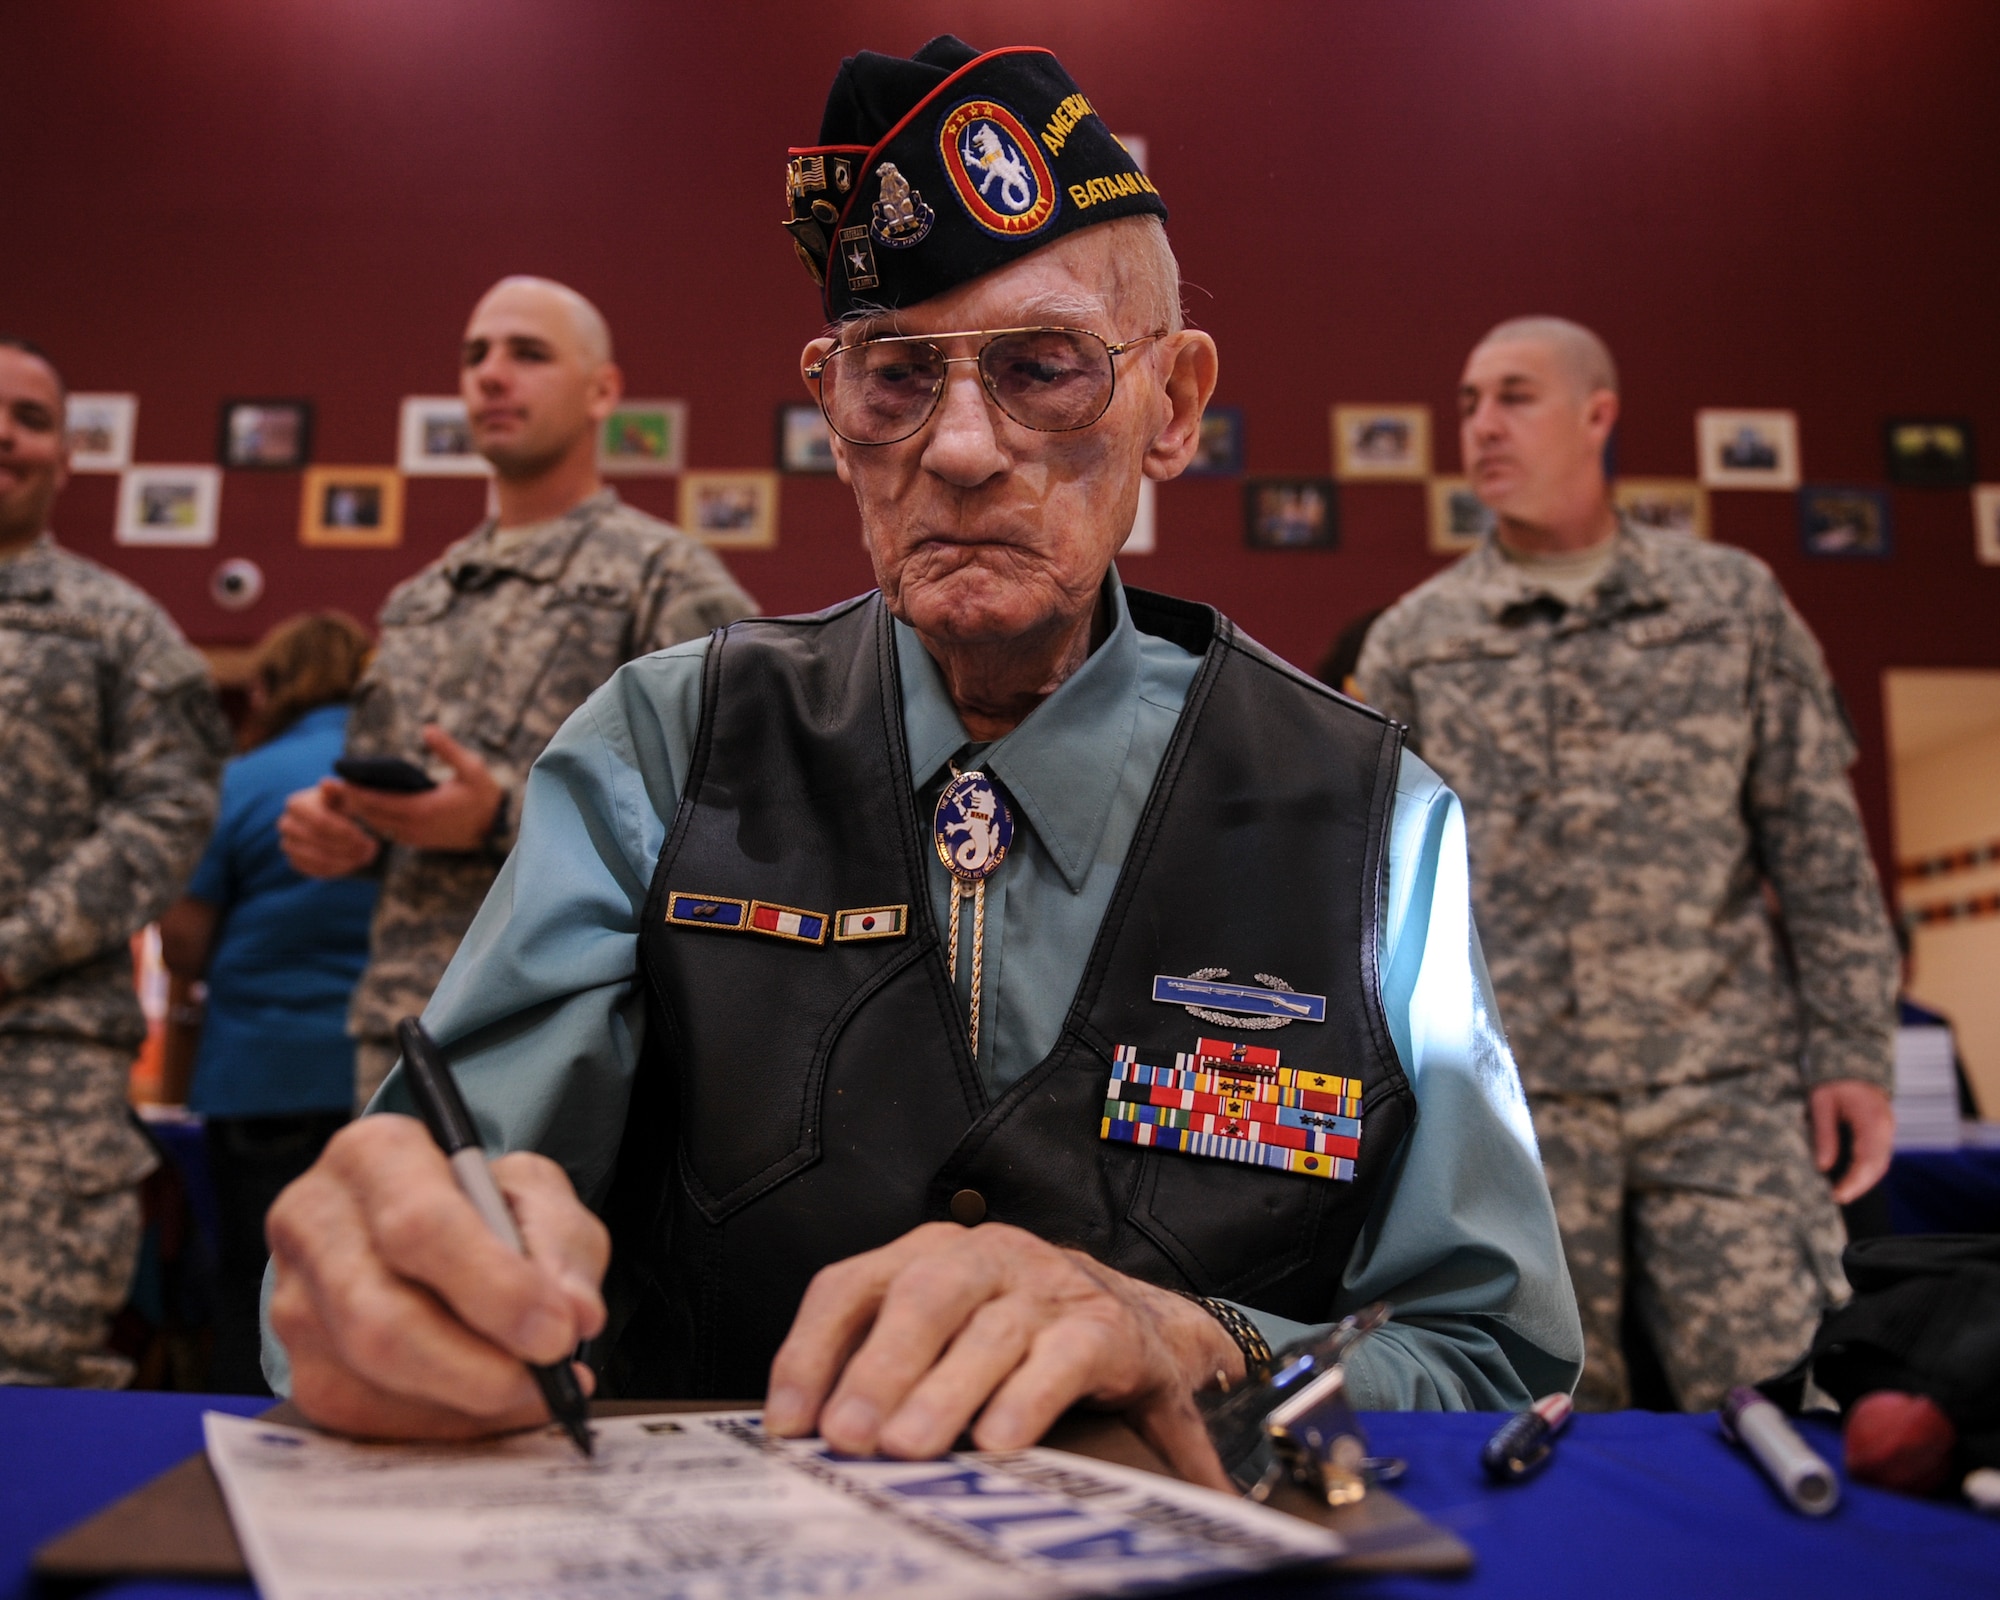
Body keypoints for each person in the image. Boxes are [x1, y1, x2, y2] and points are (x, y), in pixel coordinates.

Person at [264, 39, 1581, 1481]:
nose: (961, 448)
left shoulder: (1367, 820)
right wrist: (393, 1288)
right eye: (897, 377)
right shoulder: (662, 748)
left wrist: (1206, 1337)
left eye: (1046, 369)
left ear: (1177, 404)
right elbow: (416, 1239)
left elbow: (1488, 1358)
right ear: (834, 413)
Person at [1357, 316, 1900, 1411]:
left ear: (1596, 414)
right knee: (1535, 1426)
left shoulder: (1728, 605)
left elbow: (1817, 847)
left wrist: (1850, 1049)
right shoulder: (1415, 639)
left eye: (1512, 396)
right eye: (1466, 403)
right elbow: (1361, 889)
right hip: (1513, 1107)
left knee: (1795, 1410)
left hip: (1719, 1091)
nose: (1481, 426)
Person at [278, 277, 757, 1108]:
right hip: (412, 1024)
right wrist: (347, 833)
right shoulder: (420, 600)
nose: (491, 376)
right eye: (475, 357)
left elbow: (741, 813)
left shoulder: (667, 581)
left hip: (582, 1034)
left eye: (527, 354)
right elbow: (392, 805)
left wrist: (499, 817)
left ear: (601, 390)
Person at [0, 334, 230, 1386]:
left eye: (32, 417)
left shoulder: (120, 631)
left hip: (37, 1060)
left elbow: (166, 813)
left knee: (25, 1370)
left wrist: (13, 946)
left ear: (64, 456)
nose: (6, 432)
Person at [160, 612, 380, 1394]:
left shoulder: (242, 780)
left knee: (255, 1288)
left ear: (267, 687)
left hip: (261, 1073)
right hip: (383, 1073)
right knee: (376, 1289)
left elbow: (184, 945)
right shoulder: (391, 777)